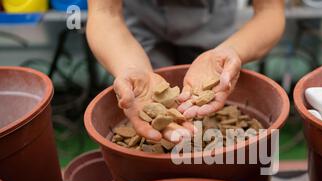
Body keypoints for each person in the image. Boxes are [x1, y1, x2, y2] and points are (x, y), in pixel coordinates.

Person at [86, 0, 285, 142]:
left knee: (215, 91)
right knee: (149, 112)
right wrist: (130, 67)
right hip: (140, 20)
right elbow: (105, 12)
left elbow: (269, 11)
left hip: (212, 19)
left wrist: (232, 51)